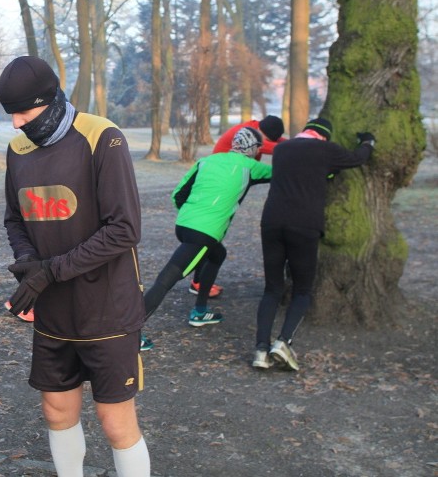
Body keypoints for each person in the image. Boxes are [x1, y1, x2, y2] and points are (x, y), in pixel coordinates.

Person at [0, 56, 149, 477]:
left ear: (48, 101)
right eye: (10, 113)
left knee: (115, 423)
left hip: (107, 311)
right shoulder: (18, 150)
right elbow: (15, 218)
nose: (16, 123)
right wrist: (29, 263)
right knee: (56, 411)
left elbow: (124, 229)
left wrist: (52, 270)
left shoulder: (102, 137)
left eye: (23, 112)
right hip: (53, 310)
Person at [253, 118, 374, 371]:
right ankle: (283, 342)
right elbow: (357, 158)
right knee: (302, 290)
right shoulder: (326, 150)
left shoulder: (282, 149)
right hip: (304, 225)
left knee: (272, 289)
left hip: (272, 222)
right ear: (325, 136)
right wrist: (367, 142)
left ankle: (261, 350)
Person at [141, 127, 272, 329]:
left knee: (217, 254)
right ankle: (129, 333)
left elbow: (178, 194)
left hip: (184, 226)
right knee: (166, 280)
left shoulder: (207, 161)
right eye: (258, 149)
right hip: (203, 234)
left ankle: (200, 311)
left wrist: (192, 216)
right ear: (252, 148)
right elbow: (281, 172)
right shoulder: (250, 166)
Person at [188, 115, 286, 299]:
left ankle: (200, 280)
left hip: (230, 179)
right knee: (211, 235)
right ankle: (197, 281)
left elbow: (280, 142)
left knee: (216, 235)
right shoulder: (252, 136)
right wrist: (305, 146)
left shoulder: (255, 128)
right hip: (222, 183)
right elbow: (281, 148)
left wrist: (301, 141)